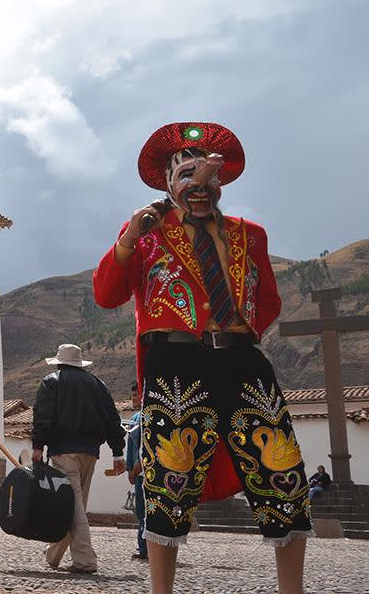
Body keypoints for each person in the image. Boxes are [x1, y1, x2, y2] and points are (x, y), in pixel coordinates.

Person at [93, 122, 311, 594]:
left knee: (282, 475)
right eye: (187, 175)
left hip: (243, 363)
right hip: (175, 366)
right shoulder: (146, 233)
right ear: (168, 184)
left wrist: (236, 330)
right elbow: (107, 294)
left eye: (209, 178)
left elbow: (267, 300)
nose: (200, 187)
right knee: (170, 480)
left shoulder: (249, 234)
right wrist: (129, 237)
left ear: (222, 184)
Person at [31, 343, 126, 574]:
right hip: (90, 453)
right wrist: (117, 452)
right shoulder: (98, 385)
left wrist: (37, 446)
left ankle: (85, 561)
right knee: (76, 505)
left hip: (63, 452)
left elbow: (43, 415)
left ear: (60, 362)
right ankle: (53, 555)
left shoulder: (52, 381)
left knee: (73, 507)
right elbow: (112, 420)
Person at [125, 381, 147, 560]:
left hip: (143, 473)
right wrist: (129, 469)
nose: (132, 398)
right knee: (141, 512)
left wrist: (134, 469)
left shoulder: (146, 418)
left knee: (145, 512)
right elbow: (131, 448)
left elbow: (144, 448)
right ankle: (144, 547)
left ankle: (146, 548)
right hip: (138, 475)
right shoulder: (134, 419)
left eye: (135, 394)